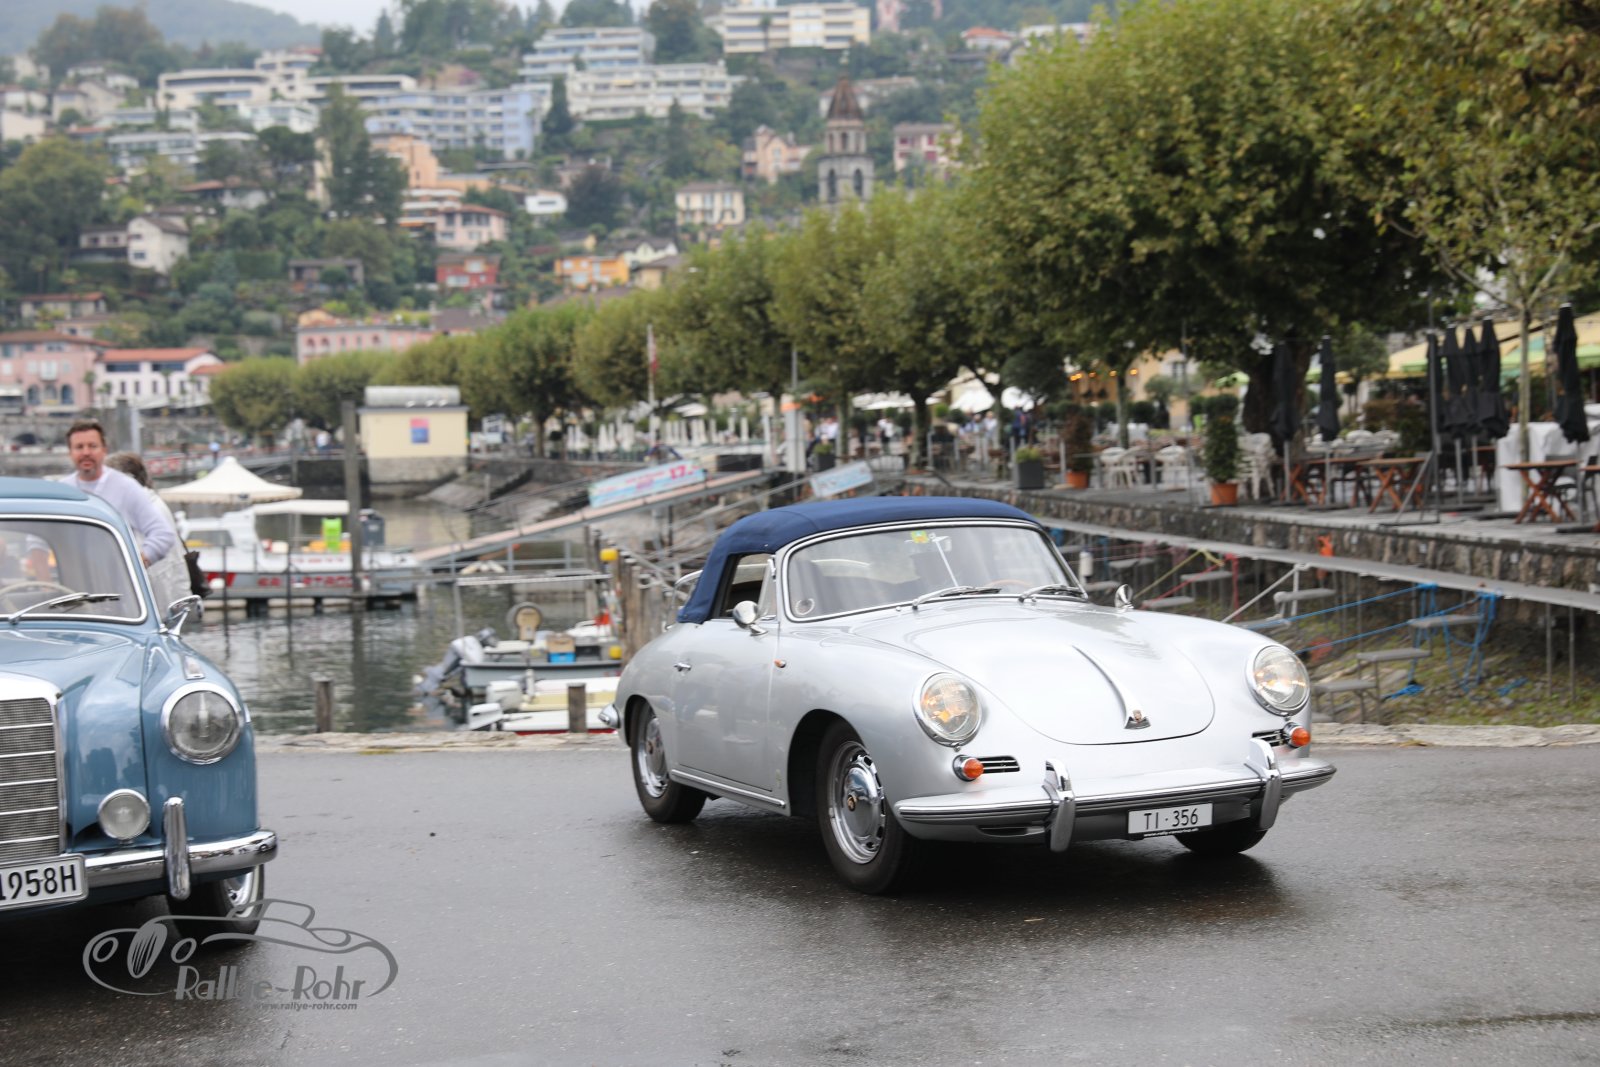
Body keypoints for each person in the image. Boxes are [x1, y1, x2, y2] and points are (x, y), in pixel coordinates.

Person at [55, 420, 176, 572]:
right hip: (72, 580)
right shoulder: (61, 491)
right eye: (79, 447)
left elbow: (163, 534)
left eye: (92, 446)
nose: (86, 452)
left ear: (104, 450)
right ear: (70, 452)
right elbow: (38, 542)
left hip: (115, 582)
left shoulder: (126, 487)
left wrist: (137, 564)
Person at [105, 451, 189, 610]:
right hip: (169, 600)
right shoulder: (152, 502)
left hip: (154, 605)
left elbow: (137, 564)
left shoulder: (139, 510)